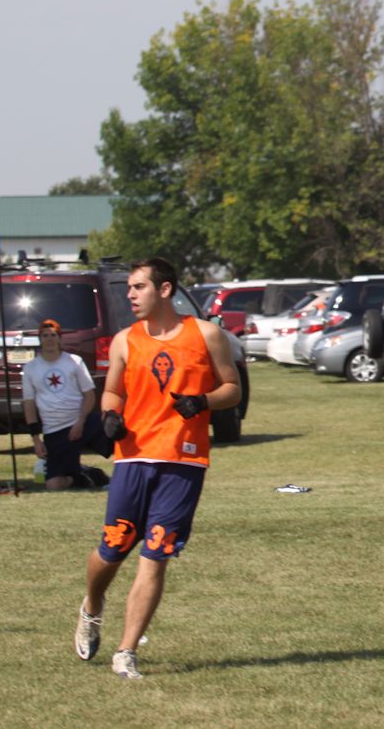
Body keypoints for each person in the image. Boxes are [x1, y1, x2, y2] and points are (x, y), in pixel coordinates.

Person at [75, 257, 240, 680]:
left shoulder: (206, 334)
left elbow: (232, 388)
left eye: (138, 287)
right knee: (114, 546)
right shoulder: (124, 340)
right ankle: (92, 604)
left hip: (183, 460)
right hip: (134, 456)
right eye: (129, 288)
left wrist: (203, 401)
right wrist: (110, 416)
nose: (130, 295)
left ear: (164, 290)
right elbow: (112, 392)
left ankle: (125, 651)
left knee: (156, 552)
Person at [22, 319, 97, 491]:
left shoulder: (74, 361)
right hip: (53, 430)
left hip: (80, 423)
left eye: (53, 335)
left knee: (109, 427)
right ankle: (84, 475)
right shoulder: (31, 368)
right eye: (45, 335)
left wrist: (80, 422)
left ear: (59, 338)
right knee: (53, 485)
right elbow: (29, 404)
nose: (49, 339)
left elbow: (89, 395)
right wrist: (36, 440)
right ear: (40, 339)